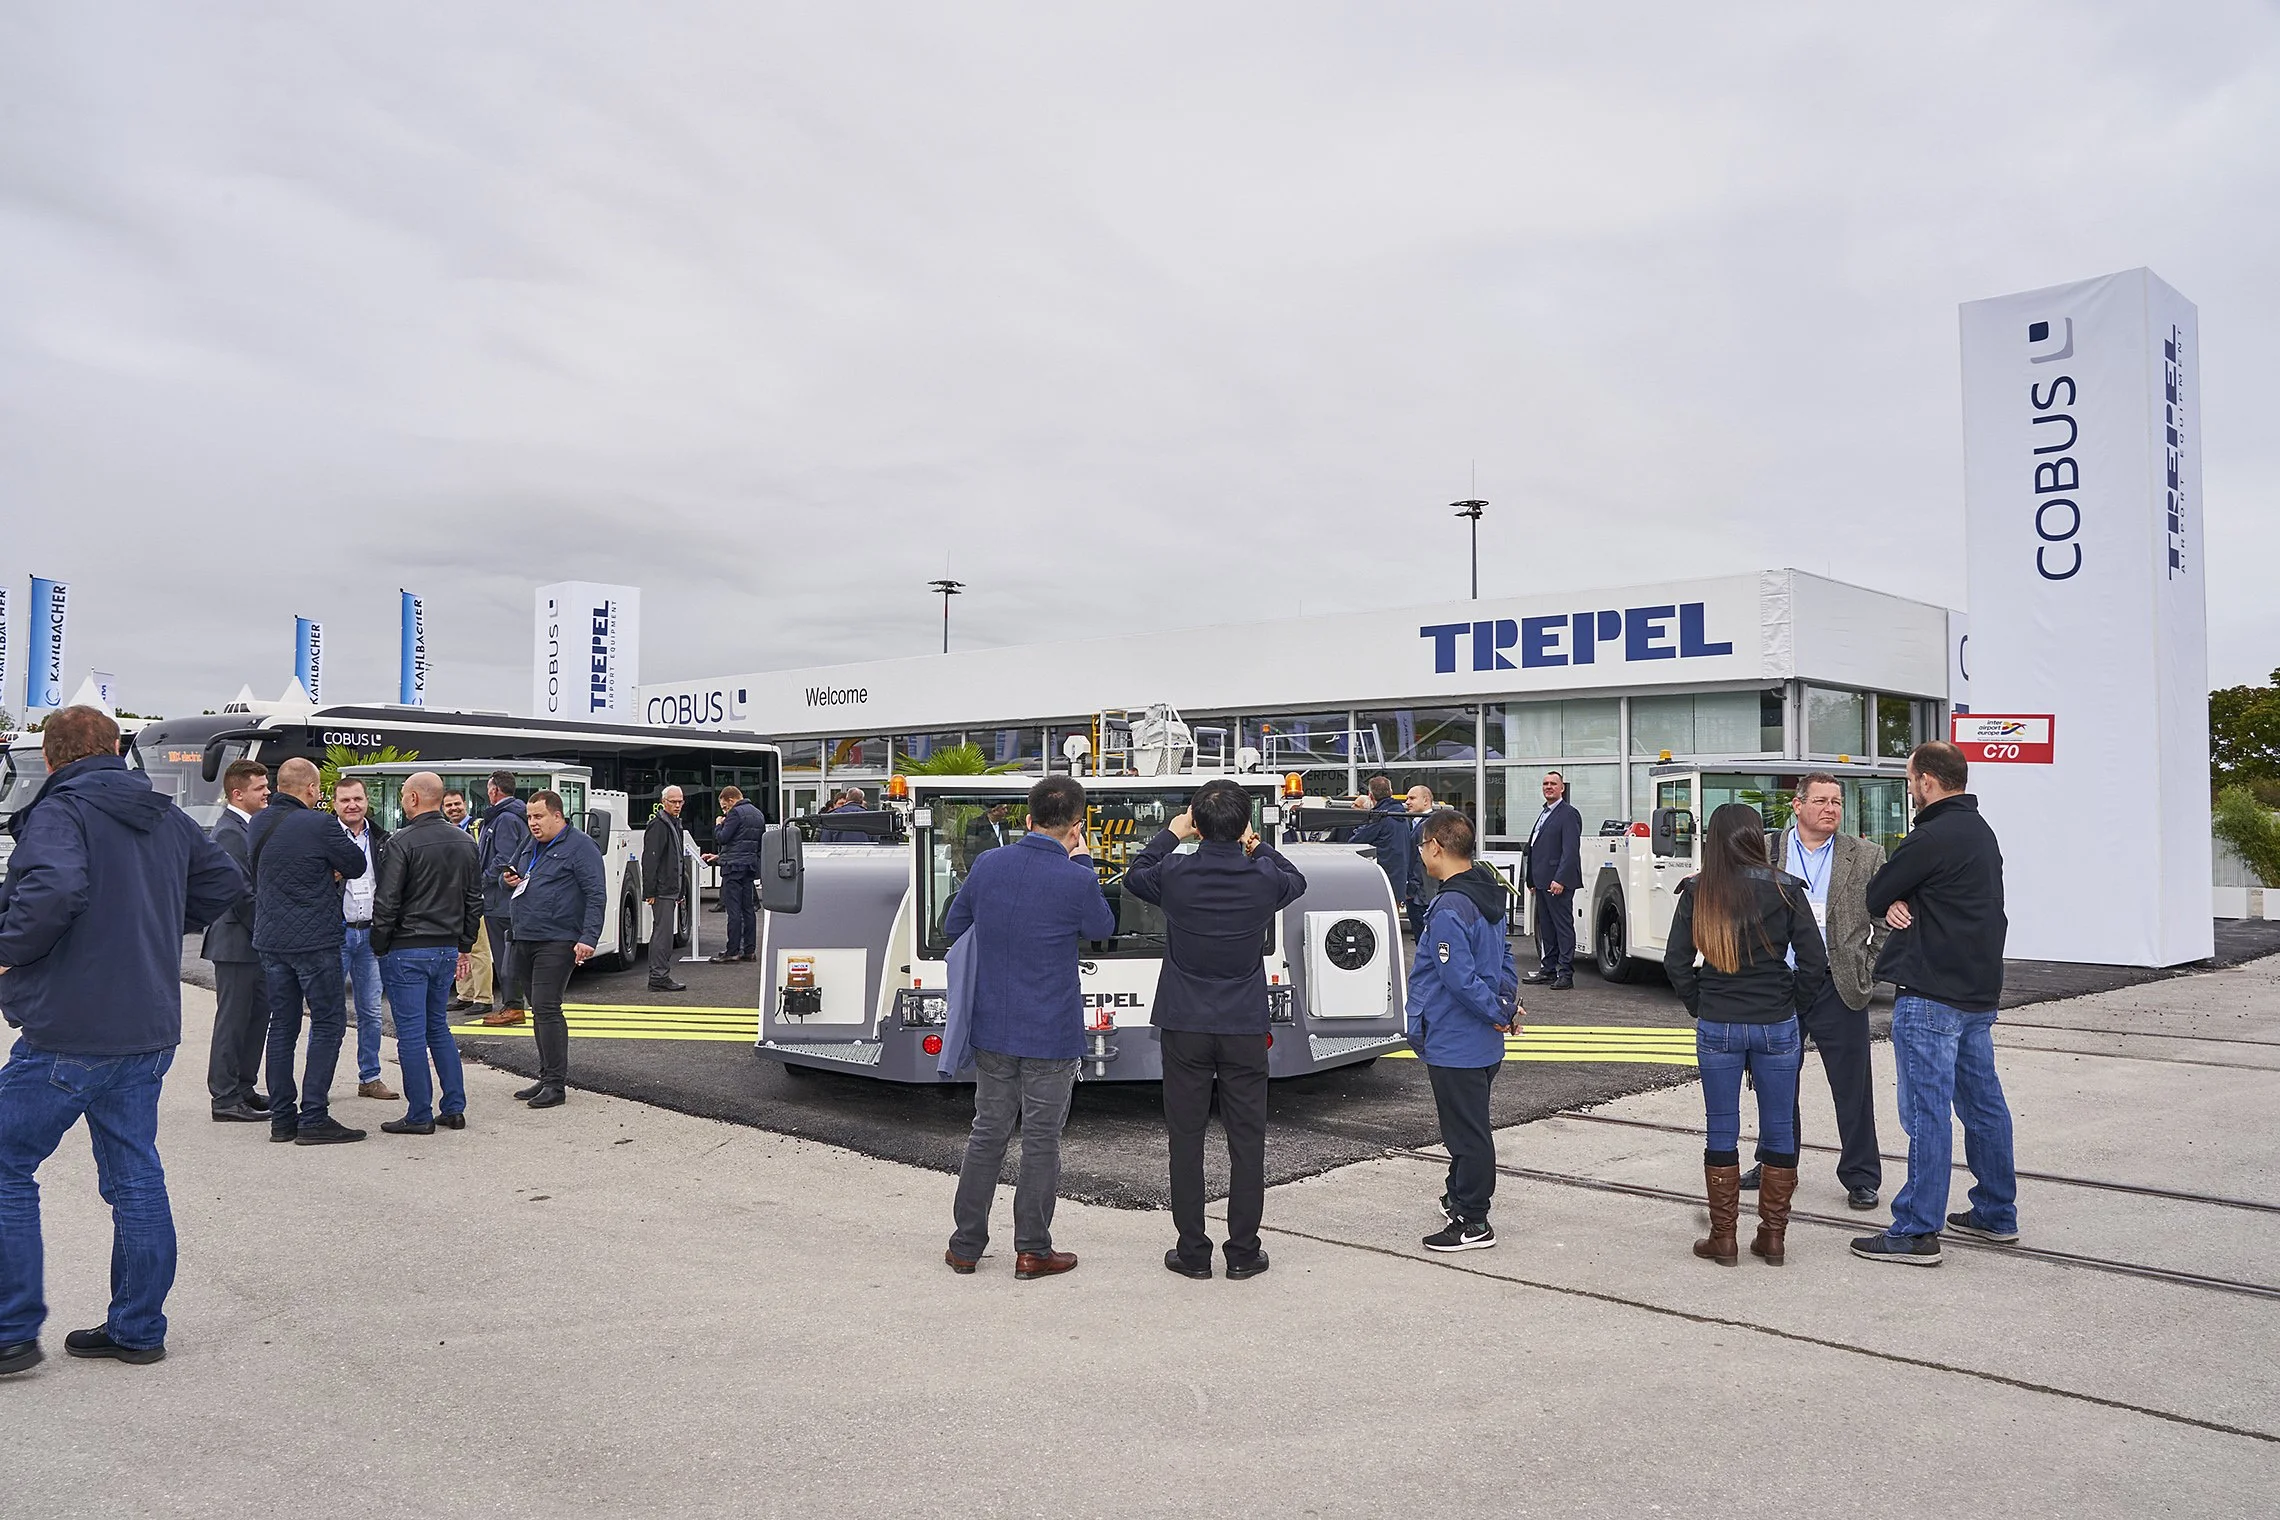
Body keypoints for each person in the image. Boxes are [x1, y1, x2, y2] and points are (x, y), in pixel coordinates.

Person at [0, 707, 246, 1375]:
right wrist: (163, 920)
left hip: (71, 1026)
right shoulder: (162, 813)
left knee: (5, 1166)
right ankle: (137, 1327)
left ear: (52, 758)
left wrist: (8, 951)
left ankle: (11, 1330)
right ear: (117, 750)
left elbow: (53, 888)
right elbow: (225, 881)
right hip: (146, 1025)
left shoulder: (62, 810)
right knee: (135, 1175)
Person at [1126, 780, 1308, 1281]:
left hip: (1184, 1020)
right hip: (1243, 1022)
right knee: (1247, 1139)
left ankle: (1192, 1250)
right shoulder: (1262, 877)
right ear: (1244, 823)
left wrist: (1170, 833)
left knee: (1185, 1137)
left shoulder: (1176, 872)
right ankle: (1244, 1251)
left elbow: (1133, 875)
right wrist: (1257, 843)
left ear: (1197, 824)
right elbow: (1297, 879)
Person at [942, 775, 1113, 1281]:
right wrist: (1081, 860)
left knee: (986, 1134)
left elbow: (956, 925)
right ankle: (1032, 1251)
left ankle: (966, 1246)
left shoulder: (990, 864)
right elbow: (1102, 929)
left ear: (1027, 818)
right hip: (1052, 1031)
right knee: (1041, 1140)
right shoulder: (1077, 876)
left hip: (992, 1023)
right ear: (1076, 825)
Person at [1853, 741, 2015, 1267]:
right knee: (1983, 1106)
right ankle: (1995, 1211)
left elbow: (1875, 892)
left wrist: (1897, 899)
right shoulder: (1980, 832)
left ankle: (1917, 1229)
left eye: (1910, 779)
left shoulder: (1931, 834)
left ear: (1926, 781)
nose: (1910, 788)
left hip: (1930, 994)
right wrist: (1909, 899)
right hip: (1977, 993)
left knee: (1926, 1112)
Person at [1665, 802, 1828, 1268]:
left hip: (1718, 1021)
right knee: (1779, 1128)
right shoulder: (1787, 888)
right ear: (1758, 836)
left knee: (1722, 1128)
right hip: (1776, 1020)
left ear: (1712, 839)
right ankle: (1772, 1238)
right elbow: (1814, 963)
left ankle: (1724, 1239)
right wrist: (1791, 1007)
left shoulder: (1698, 890)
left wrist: (1701, 1003)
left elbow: (1677, 962)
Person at [1746, 773, 1887, 1210]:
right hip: (1779, 984)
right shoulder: (1766, 850)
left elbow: (1888, 917)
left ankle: (1861, 1176)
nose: (1831, 809)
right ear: (1798, 804)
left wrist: (1869, 965)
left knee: (1852, 1086)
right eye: (1822, 801)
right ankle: (1775, 1162)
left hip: (1838, 982)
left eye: (1837, 802)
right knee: (1775, 1083)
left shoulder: (1865, 855)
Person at [1407, 809, 1522, 1252]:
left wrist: (1497, 1011)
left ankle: (1473, 1221)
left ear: (1436, 845)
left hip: (1456, 1040)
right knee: (1468, 1124)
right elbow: (1505, 955)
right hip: (1483, 1043)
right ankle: (1457, 1195)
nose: (1420, 855)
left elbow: (1456, 976)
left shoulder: (1450, 904)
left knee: (1467, 1133)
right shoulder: (1487, 892)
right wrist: (1507, 1005)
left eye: (1421, 847)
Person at [251, 757, 374, 1145]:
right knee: (327, 1023)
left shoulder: (258, 823)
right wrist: (329, 868)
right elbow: (355, 862)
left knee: (283, 1025)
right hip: (315, 940)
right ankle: (314, 1116)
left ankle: (282, 1118)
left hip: (271, 939)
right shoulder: (321, 823)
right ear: (310, 790)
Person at [369, 772, 484, 1136]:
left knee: (412, 1034)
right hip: (445, 947)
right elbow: (474, 900)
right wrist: (463, 943)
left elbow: (387, 901)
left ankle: (419, 1113)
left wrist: (379, 943)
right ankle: (454, 1106)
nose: (403, 799)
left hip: (407, 947)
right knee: (439, 1027)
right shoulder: (465, 842)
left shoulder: (401, 842)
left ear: (415, 799)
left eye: (404, 794)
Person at [504, 790, 606, 1110]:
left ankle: (555, 1085)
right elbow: (518, 872)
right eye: (529, 817)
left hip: (558, 939)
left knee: (547, 1007)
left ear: (558, 816)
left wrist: (588, 937)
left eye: (538, 817)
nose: (532, 823)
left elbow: (596, 894)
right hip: (525, 936)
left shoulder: (580, 846)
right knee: (538, 1008)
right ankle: (546, 1075)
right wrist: (508, 878)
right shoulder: (530, 843)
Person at [201, 759, 272, 1122]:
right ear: (238, 793)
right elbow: (240, 892)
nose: (267, 792)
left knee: (256, 1016)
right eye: (260, 788)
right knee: (233, 1020)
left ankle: (245, 1087)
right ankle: (225, 1097)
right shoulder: (230, 832)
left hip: (252, 940)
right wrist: (269, 932)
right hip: (237, 941)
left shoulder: (248, 827)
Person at [331, 776, 397, 1101]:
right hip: (337, 934)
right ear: (334, 805)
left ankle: (370, 1077)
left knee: (371, 1011)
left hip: (370, 935)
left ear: (366, 801)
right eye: (345, 800)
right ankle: (320, 1082)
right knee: (329, 1011)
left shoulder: (383, 839)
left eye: (357, 799)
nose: (352, 805)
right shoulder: (325, 838)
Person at [476, 770, 532, 1026]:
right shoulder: (509, 815)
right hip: (501, 898)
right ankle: (514, 1004)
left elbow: (504, 858)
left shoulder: (505, 819)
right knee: (508, 954)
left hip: (501, 899)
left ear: (494, 790)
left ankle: (513, 1006)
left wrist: (482, 878)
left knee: (505, 954)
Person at [1522, 771, 1583, 991]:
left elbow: (1570, 851)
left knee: (1562, 928)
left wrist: (1560, 879)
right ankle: (1548, 970)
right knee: (1546, 929)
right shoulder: (1544, 813)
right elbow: (1534, 848)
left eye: (1553, 784)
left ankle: (1565, 973)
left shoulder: (1568, 814)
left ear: (1562, 788)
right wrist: (1530, 879)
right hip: (1541, 882)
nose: (1548, 787)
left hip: (1557, 883)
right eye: (1545, 783)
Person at [444, 789, 490, 1013]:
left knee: (479, 949)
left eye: (457, 804)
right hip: (454, 899)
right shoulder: (446, 831)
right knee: (460, 948)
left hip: (474, 898)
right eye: (449, 805)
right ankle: (465, 994)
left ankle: (483, 998)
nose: (453, 808)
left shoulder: (478, 828)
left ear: (466, 804)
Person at [705, 785, 763, 963]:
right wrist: (719, 856)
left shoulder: (735, 813)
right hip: (749, 866)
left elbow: (723, 837)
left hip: (733, 869)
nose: (724, 810)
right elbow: (748, 843)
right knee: (748, 909)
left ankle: (732, 951)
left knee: (734, 911)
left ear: (731, 800)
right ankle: (749, 950)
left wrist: (718, 825)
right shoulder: (757, 814)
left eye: (724, 806)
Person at [1348, 776, 1417, 920]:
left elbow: (1355, 842)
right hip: (1399, 880)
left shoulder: (1379, 818)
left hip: (1379, 880)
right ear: (1391, 792)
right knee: (1392, 923)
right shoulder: (1403, 816)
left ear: (1370, 795)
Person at [642, 786, 689, 992]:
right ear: (663, 802)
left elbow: (676, 859)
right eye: (673, 802)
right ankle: (659, 977)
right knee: (663, 934)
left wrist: (679, 891)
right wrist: (650, 891)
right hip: (662, 890)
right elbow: (650, 859)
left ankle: (659, 976)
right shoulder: (660, 825)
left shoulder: (672, 823)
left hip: (668, 889)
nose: (677, 805)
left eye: (680, 802)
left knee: (663, 933)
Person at [1402, 785, 1436, 936]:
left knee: (1423, 938)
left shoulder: (1428, 825)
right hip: (1421, 893)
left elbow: (1420, 860)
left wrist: (1411, 889)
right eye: (1407, 798)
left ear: (1426, 800)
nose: (1407, 802)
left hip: (1421, 895)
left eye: (1412, 798)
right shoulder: (1416, 823)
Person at [960, 801, 1014, 870]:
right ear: (994, 811)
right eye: (1003, 809)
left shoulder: (1004, 824)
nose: (1006, 811)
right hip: (984, 870)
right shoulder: (975, 824)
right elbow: (969, 853)